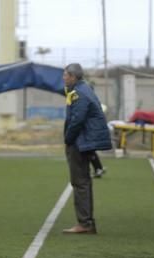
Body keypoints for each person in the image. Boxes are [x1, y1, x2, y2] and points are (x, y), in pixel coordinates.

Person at [62, 63, 112, 234]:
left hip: (80, 142)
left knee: (80, 182)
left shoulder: (80, 93)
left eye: (66, 75)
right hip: (84, 141)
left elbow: (77, 120)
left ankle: (85, 223)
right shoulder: (83, 89)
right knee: (83, 182)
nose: (64, 77)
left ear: (73, 77)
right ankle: (86, 222)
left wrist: (68, 139)